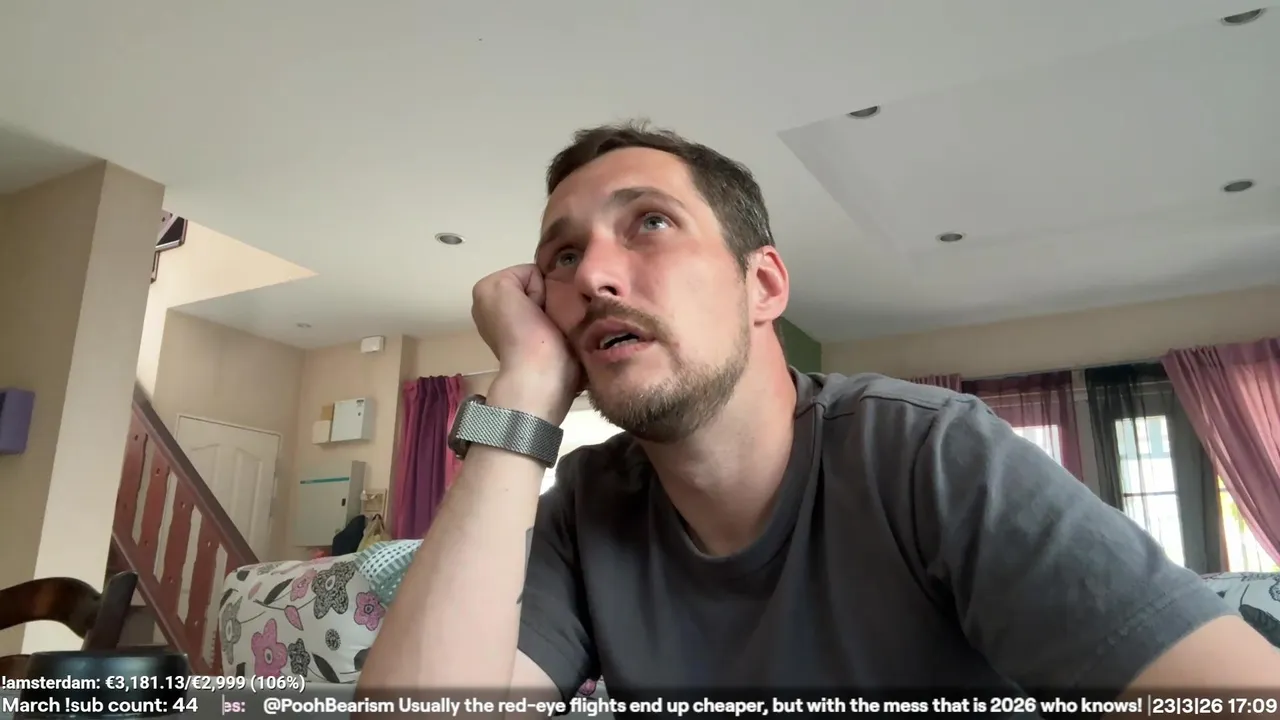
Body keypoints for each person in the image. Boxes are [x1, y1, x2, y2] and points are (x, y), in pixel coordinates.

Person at [359, 122, 1279, 715]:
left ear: (763, 285)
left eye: (649, 224)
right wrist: (524, 388)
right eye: (562, 256)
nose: (593, 274)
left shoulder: (929, 452)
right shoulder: (585, 509)